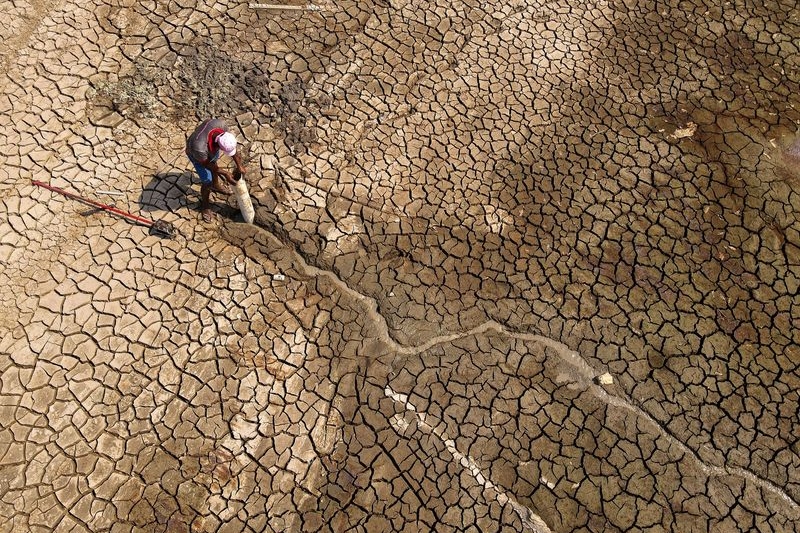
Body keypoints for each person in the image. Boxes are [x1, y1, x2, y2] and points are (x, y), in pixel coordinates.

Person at [185, 119, 247, 221]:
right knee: (207, 181)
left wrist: (239, 165)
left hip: (207, 148)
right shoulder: (199, 148)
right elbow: (206, 164)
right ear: (217, 144)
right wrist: (226, 173)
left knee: (214, 161)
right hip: (195, 154)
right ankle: (205, 206)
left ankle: (216, 185)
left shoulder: (222, 126)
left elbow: (230, 151)